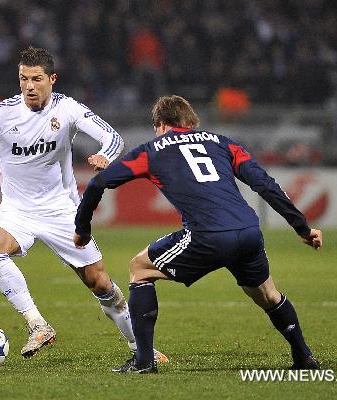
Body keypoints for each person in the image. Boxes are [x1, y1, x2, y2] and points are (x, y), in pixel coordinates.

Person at [0, 46, 167, 362]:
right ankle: (37, 324)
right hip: (16, 211)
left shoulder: (68, 109)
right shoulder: (1, 114)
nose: (29, 86)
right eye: (23, 79)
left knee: (100, 283)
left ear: (52, 79)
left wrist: (105, 154)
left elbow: (113, 138)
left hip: (63, 211)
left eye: (36, 79)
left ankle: (140, 348)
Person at [74, 95, 323, 373]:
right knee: (268, 295)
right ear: (189, 122)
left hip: (207, 235)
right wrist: (302, 227)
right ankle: (303, 357)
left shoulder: (152, 150)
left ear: (160, 125)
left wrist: (82, 229)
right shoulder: (223, 143)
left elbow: (97, 183)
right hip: (248, 232)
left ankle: (144, 361)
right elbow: (265, 184)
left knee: (140, 268)